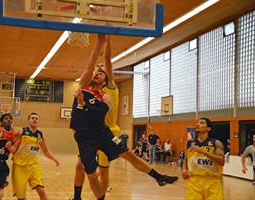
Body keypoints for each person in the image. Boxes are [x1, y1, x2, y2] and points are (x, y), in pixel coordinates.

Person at [70, 34, 179, 200]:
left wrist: (84, 105)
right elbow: (91, 62)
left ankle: (159, 177)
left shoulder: (105, 96)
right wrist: (100, 42)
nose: (96, 73)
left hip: (102, 131)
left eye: (100, 74)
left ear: (106, 82)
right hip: (84, 137)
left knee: (127, 156)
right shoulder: (83, 86)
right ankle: (85, 197)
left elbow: (98, 114)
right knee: (90, 174)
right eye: (96, 72)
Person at [70, 34, 122, 199]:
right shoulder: (91, 90)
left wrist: (107, 38)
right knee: (80, 165)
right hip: (92, 131)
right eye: (97, 69)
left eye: (102, 70)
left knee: (104, 170)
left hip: (109, 130)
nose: (99, 70)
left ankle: (102, 196)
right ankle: (77, 196)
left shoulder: (110, 86)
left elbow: (107, 58)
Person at [10, 112, 60, 200]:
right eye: (32, 118)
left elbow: (46, 151)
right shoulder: (22, 131)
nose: (35, 120)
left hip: (34, 166)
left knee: (42, 191)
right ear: (28, 121)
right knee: (21, 197)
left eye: (36, 118)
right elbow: (13, 146)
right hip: (19, 166)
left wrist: (54, 158)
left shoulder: (41, 135)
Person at [181, 118, 225, 200]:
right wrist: (184, 169)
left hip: (212, 182)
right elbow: (186, 159)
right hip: (194, 181)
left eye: (201, 123)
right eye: (197, 123)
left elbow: (221, 162)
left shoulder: (216, 143)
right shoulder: (189, 143)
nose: (198, 124)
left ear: (208, 128)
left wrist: (204, 152)